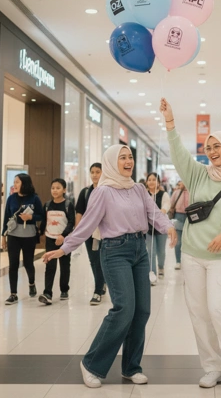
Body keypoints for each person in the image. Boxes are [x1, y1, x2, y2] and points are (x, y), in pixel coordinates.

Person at [43, 145, 176, 388]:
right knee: (124, 309)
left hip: (140, 251)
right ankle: (91, 363)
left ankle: (131, 367)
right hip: (115, 251)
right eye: (122, 157)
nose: (128, 161)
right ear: (112, 162)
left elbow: (154, 213)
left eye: (130, 157)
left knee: (142, 310)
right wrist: (65, 248)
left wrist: (168, 227)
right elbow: (87, 224)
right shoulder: (102, 192)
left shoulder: (138, 189)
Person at [160, 98, 221, 394]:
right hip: (192, 255)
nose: (213, 151)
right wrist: (170, 123)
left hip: (220, 258)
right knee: (199, 314)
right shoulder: (199, 174)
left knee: (219, 311)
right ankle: (213, 367)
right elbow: (179, 154)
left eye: (218, 146)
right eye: (209, 147)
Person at [2, 174, 44, 305]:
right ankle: (13, 294)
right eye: (14, 182)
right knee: (13, 264)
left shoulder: (34, 198)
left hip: (29, 236)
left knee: (28, 263)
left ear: (24, 184)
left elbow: (41, 215)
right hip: (13, 235)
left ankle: (32, 283)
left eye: (17, 182)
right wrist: (3, 236)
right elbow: (6, 217)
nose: (14, 184)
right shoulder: (11, 198)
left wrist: (30, 217)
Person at [39, 178, 76, 304]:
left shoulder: (68, 205)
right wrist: (40, 232)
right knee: (50, 266)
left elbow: (71, 222)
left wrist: (63, 235)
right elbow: (44, 220)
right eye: (53, 188)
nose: (55, 190)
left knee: (64, 266)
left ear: (64, 190)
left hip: (65, 240)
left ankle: (64, 289)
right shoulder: (47, 205)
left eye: (58, 188)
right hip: (50, 239)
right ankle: (47, 293)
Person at [75, 163, 106, 305]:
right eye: (92, 172)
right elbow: (79, 212)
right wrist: (78, 230)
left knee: (103, 260)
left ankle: (100, 287)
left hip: (105, 232)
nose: (94, 175)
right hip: (89, 232)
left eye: (98, 172)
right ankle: (99, 287)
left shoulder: (108, 190)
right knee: (94, 260)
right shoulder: (86, 192)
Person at [145, 172, 171, 285]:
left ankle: (161, 267)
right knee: (151, 251)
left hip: (161, 227)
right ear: (146, 182)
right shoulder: (144, 195)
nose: (151, 182)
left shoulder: (163, 194)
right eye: (149, 179)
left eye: (154, 179)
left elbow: (166, 206)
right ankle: (153, 275)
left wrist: (162, 212)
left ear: (158, 182)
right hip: (148, 228)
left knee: (161, 251)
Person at [169, 180, 189, 270]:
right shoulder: (176, 192)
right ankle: (178, 261)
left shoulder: (191, 191)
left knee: (188, 242)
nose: (181, 184)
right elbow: (171, 204)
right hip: (178, 216)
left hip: (189, 217)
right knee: (178, 242)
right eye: (180, 182)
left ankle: (187, 262)